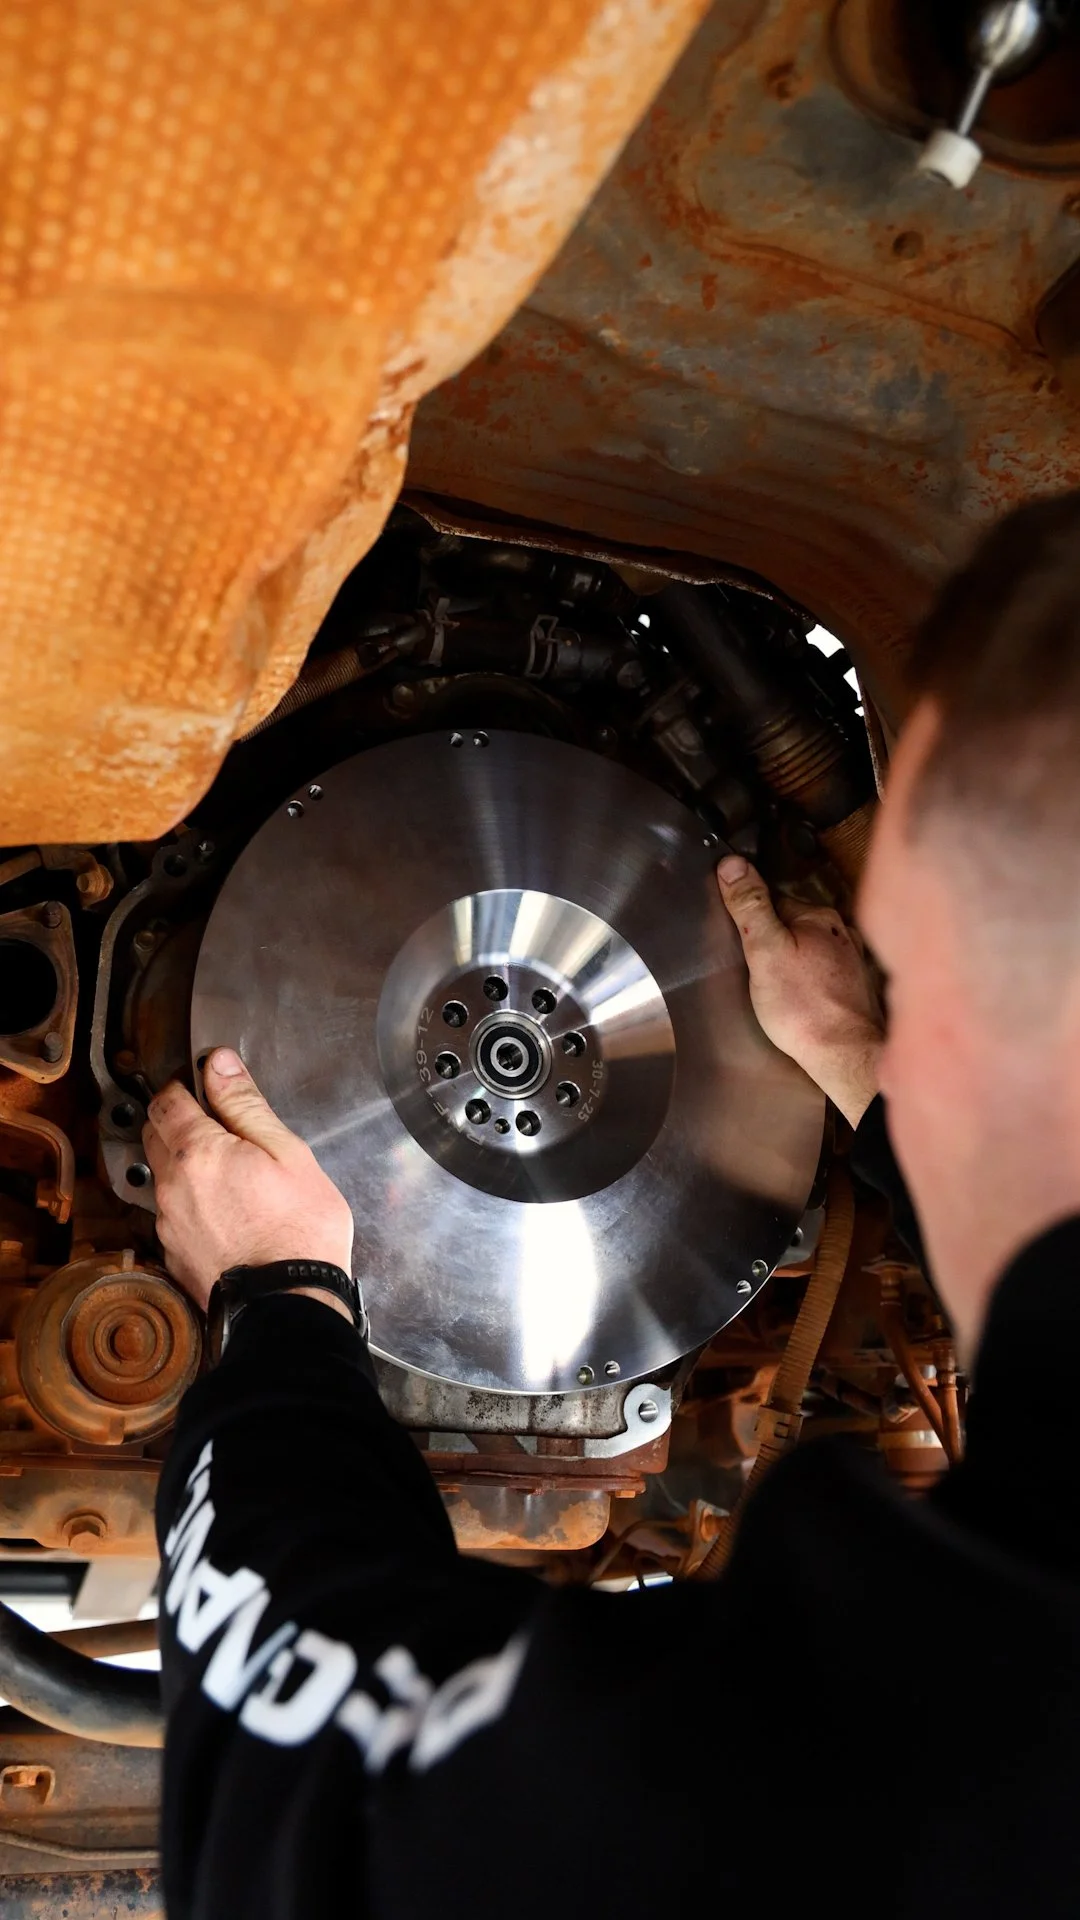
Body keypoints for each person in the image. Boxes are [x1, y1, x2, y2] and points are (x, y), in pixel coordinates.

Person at [145, 493, 1080, 1920]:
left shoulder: (915, 1766)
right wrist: (876, 1080)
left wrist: (275, 1311)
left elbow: (319, 1801)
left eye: (900, 955)